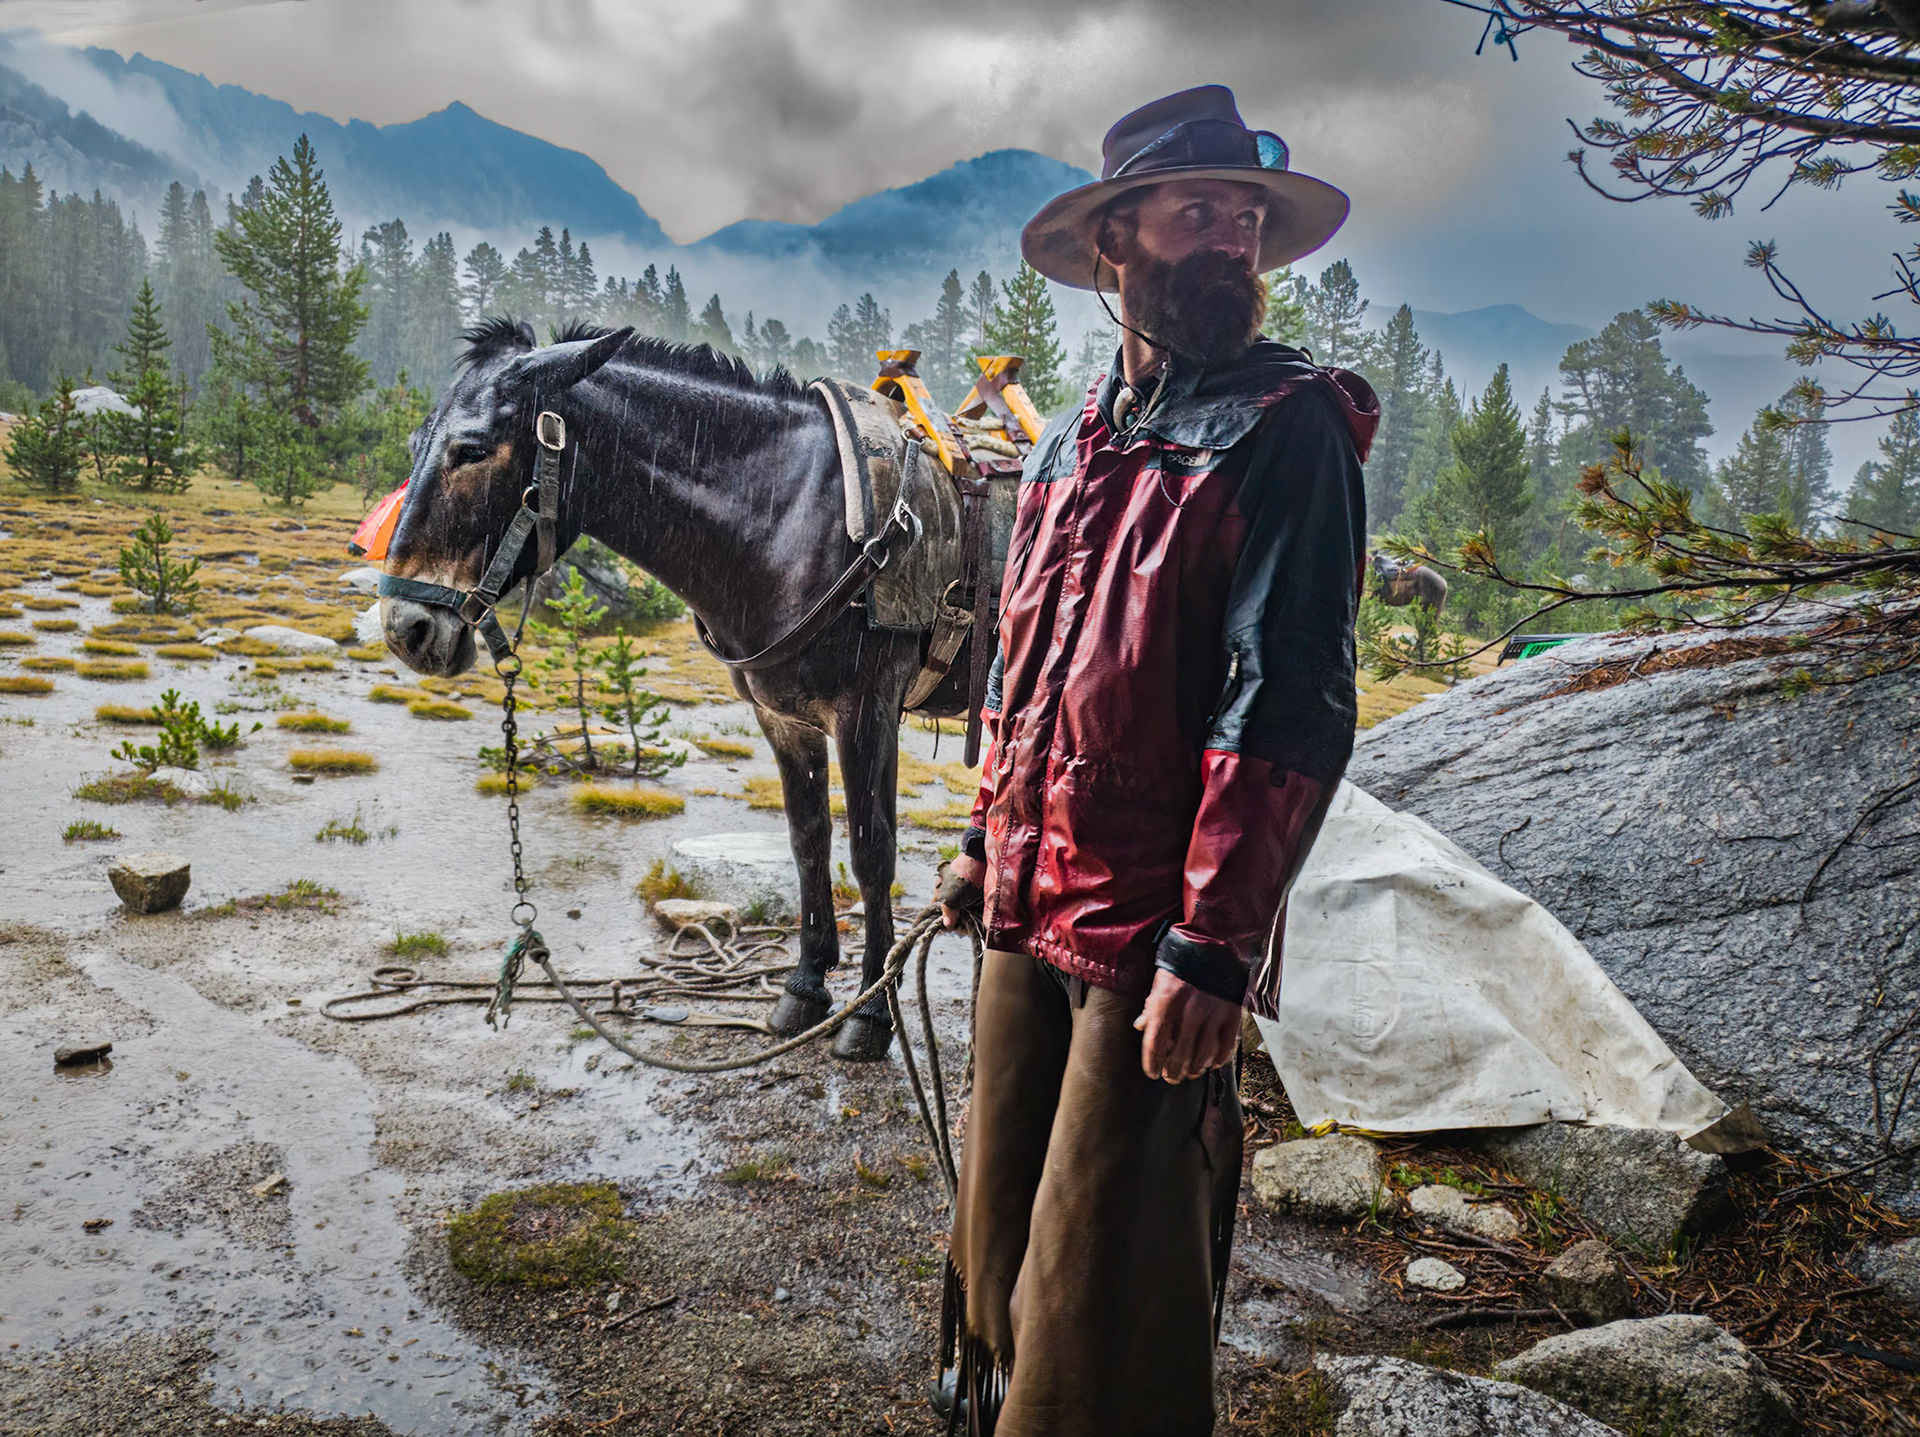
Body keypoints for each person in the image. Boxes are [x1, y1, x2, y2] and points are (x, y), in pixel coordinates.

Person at [930, 85, 1378, 1436]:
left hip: (1150, 940)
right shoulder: (1066, 442)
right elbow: (1026, 662)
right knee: (999, 1230)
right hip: (1026, 905)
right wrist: (976, 836)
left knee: (1106, 1280)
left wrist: (1215, 945)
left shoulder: (1291, 426)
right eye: (1198, 214)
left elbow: (1285, 701)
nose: (1230, 242)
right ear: (1116, 239)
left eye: (1245, 219)